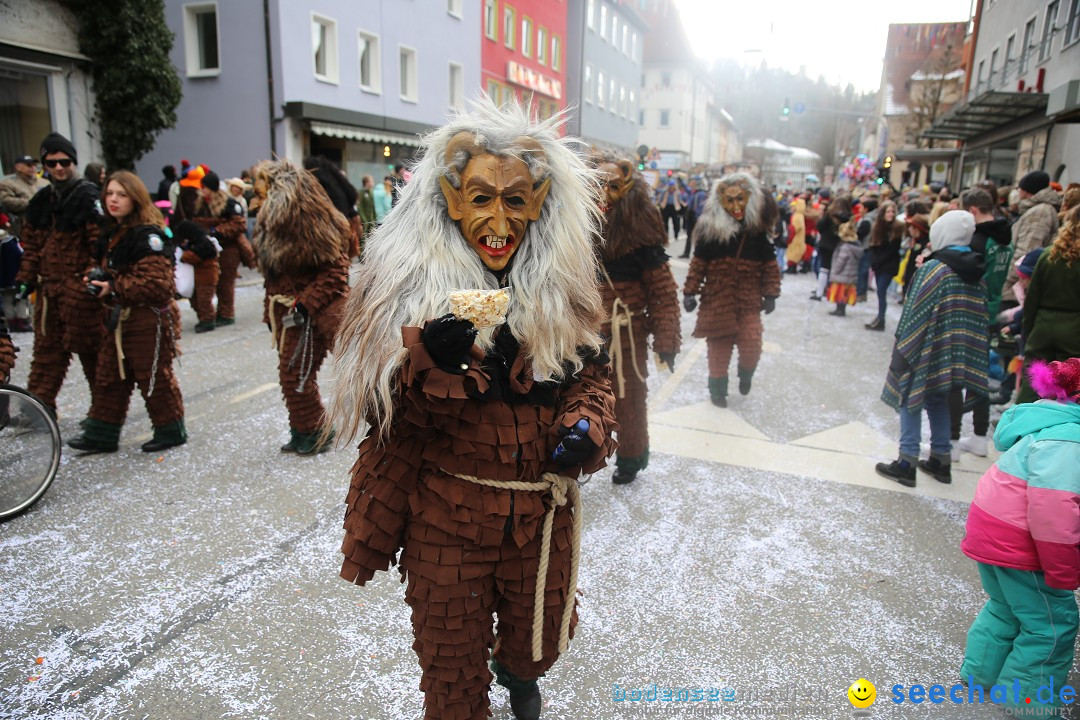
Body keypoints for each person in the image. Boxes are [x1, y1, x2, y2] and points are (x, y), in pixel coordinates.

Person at [329, 101, 616, 720]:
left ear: (540, 204)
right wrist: (427, 359)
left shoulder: (564, 291)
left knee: (533, 639)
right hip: (446, 522)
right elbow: (394, 419)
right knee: (451, 676)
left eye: (515, 201)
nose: (497, 220)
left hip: (537, 516)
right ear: (452, 200)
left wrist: (586, 424)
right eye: (480, 198)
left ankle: (516, 671)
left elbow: (591, 376)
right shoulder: (407, 291)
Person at [959, 357, 1080, 718]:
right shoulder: (1069, 439)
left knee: (1006, 607)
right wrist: (1063, 570)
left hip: (991, 530)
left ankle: (980, 673)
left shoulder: (1047, 422)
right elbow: (1053, 511)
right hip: (1022, 543)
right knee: (1051, 624)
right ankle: (1028, 701)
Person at [66, 171, 186, 453]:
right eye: (109, 194)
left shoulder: (149, 235)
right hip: (118, 317)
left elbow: (158, 285)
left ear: (135, 198)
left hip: (147, 319)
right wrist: (95, 278)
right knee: (109, 376)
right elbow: (108, 270)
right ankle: (101, 434)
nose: (114, 200)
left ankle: (171, 431)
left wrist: (113, 286)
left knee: (153, 377)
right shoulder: (112, 233)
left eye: (121, 194)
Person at [876, 210, 989, 487]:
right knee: (938, 399)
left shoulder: (934, 269)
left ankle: (907, 462)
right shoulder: (977, 273)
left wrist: (903, 349)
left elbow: (914, 314)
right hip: (956, 352)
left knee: (910, 396)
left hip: (926, 348)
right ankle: (941, 460)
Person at [250, 159, 350, 454]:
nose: (256, 198)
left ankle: (314, 433)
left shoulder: (309, 225)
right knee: (294, 375)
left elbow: (335, 271)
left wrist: (304, 305)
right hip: (290, 315)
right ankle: (307, 431)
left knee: (295, 375)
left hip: (308, 317)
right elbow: (275, 279)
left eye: (261, 192)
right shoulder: (272, 227)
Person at [591, 154, 681, 484]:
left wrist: (666, 341)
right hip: (581, 329)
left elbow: (663, 290)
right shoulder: (573, 227)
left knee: (628, 399)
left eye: (613, 186)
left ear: (627, 189)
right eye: (598, 184)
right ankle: (579, 453)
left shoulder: (641, 233)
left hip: (626, 331)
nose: (604, 193)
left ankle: (631, 456)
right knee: (576, 395)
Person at [14, 132, 105, 414]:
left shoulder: (88, 196)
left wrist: (92, 279)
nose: (58, 168)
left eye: (64, 161)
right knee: (47, 354)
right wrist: (25, 279)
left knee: (93, 354)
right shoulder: (41, 201)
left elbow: (99, 245)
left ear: (73, 161)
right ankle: (38, 411)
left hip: (81, 292)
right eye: (51, 163)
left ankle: (103, 417)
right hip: (49, 293)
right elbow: (31, 248)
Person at [683, 173, 781, 407]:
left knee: (752, 344)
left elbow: (770, 265)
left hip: (749, 302)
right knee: (718, 351)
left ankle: (745, 373)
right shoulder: (710, 232)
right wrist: (690, 291)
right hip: (716, 302)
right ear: (720, 201)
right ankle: (717, 391)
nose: (736, 206)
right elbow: (698, 264)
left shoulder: (758, 232)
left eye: (741, 199)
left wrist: (771, 293)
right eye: (729, 200)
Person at [949, 187, 1014, 456]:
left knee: (955, 375)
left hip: (972, 310)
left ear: (973, 210)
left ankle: (950, 442)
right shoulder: (1004, 237)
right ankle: (978, 435)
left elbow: (967, 273)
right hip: (993, 308)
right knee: (978, 375)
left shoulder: (979, 240)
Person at [1015, 205, 1080, 405]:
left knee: (1033, 384)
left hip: (1042, 327)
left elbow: (1032, 299)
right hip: (1074, 330)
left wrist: (1028, 333)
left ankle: (1020, 428)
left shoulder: (1048, 255)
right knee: (1070, 387)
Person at [192, 171, 250, 328]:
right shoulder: (200, 204)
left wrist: (217, 231)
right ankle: (209, 314)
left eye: (204, 187)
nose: (202, 191)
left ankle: (226, 313)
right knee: (207, 283)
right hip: (207, 249)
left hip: (228, 248)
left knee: (225, 281)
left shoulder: (229, 204)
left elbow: (239, 225)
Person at [1002, 171, 1062, 305]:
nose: (1018, 192)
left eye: (1020, 188)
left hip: (1017, 290)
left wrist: (1006, 282)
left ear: (1027, 190)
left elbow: (1027, 251)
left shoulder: (1040, 212)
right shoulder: (1038, 209)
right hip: (1019, 286)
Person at [303, 155, 360, 258]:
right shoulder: (337, 182)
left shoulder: (314, 184)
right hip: (344, 229)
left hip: (325, 234)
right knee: (341, 263)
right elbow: (352, 195)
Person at [865, 201, 903, 331]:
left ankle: (881, 319)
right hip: (879, 263)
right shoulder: (878, 226)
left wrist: (878, 260)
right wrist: (874, 261)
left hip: (888, 264)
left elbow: (892, 249)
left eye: (892, 211)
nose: (891, 214)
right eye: (888, 211)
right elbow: (873, 245)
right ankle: (879, 317)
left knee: (881, 290)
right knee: (880, 291)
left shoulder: (897, 228)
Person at [810, 195, 852, 301]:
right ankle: (830, 291)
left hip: (826, 244)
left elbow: (820, 226)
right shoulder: (848, 217)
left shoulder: (830, 216)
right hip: (840, 245)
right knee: (834, 270)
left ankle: (820, 292)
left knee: (824, 269)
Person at [0, 155, 49, 237]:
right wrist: (32, 203)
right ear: (18, 167)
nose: (33, 168)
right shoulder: (8, 184)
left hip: (48, 226)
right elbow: (6, 201)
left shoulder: (45, 182)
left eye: (34, 165)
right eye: (29, 165)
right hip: (25, 228)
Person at [825, 218, 862, 317]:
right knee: (846, 293)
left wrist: (835, 270)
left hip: (842, 274)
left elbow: (841, 261)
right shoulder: (855, 247)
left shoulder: (845, 248)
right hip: (850, 274)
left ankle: (839, 309)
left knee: (840, 293)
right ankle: (842, 309)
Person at [680, 178, 706, 258]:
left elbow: (700, 207)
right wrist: (681, 181)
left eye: (693, 182)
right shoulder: (694, 192)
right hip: (690, 217)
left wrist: (697, 218)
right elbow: (687, 188)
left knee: (697, 237)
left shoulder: (701, 194)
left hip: (695, 217)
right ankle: (686, 253)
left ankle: (698, 255)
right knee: (689, 236)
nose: (691, 184)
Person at [784, 196, 806, 274]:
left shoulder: (797, 216)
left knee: (793, 253)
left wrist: (789, 233)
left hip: (795, 238)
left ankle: (791, 268)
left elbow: (795, 228)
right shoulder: (800, 215)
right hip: (797, 238)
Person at [356, 174, 377, 238]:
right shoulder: (361, 192)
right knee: (363, 238)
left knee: (372, 237)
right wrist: (364, 220)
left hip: (371, 220)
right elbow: (360, 208)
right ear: (366, 182)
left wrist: (374, 218)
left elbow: (373, 207)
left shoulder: (371, 192)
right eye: (371, 181)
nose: (373, 183)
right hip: (364, 220)